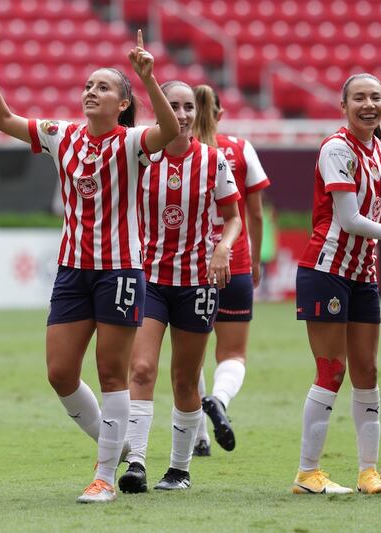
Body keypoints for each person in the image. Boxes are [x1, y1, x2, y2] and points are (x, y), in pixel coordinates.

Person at [0, 26, 179, 503]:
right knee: (61, 373)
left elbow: (170, 132)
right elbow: (0, 118)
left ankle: (105, 476)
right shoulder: (60, 135)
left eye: (104, 87)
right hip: (73, 270)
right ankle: (126, 447)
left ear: (123, 104)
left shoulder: (133, 143)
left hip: (120, 271)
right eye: (88, 85)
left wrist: (149, 79)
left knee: (112, 373)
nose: (91, 91)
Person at [292, 73, 381, 495]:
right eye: (359, 97)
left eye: (375, 97)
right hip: (327, 271)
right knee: (332, 369)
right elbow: (350, 219)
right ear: (343, 105)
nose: (369, 104)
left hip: (362, 275)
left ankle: (368, 471)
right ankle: (307, 473)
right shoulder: (336, 148)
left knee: (367, 371)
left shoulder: (380, 150)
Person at [116, 80, 242, 493]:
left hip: (197, 283)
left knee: (186, 380)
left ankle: (179, 470)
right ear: (158, 110)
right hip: (148, 278)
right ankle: (135, 462)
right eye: (173, 106)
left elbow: (233, 217)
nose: (183, 114)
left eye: (189, 107)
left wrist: (223, 247)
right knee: (141, 368)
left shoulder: (213, 160)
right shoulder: (140, 158)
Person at [189, 84, 271, 456]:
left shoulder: (173, 150)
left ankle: (199, 436)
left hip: (185, 267)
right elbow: (253, 212)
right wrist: (253, 259)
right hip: (232, 261)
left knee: (189, 356)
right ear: (219, 115)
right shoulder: (238, 148)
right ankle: (219, 399)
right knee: (233, 354)